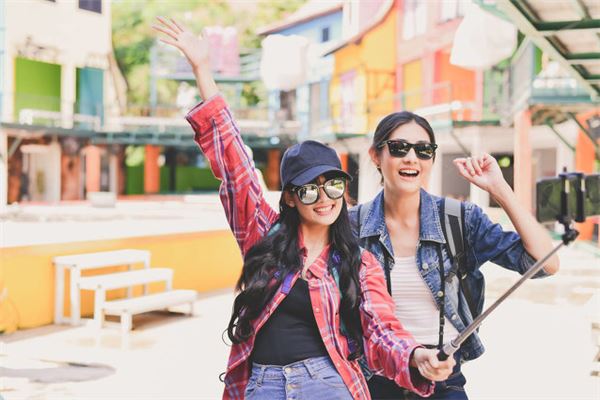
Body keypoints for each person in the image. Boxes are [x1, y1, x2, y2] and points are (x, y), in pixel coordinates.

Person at [153, 17, 456, 400]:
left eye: (333, 185)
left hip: (326, 383)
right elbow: (235, 164)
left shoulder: (359, 263)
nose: (324, 197)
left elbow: (381, 328)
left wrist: (415, 356)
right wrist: (202, 70)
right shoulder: (264, 236)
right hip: (261, 384)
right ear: (291, 198)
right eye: (310, 190)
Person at [349, 111, 560, 399]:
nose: (411, 158)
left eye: (423, 150)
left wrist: (500, 189)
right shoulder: (351, 226)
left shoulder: (459, 219)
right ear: (376, 155)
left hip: (443, 378)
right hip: (373, 378)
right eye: (399, 148)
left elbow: (546, 263)